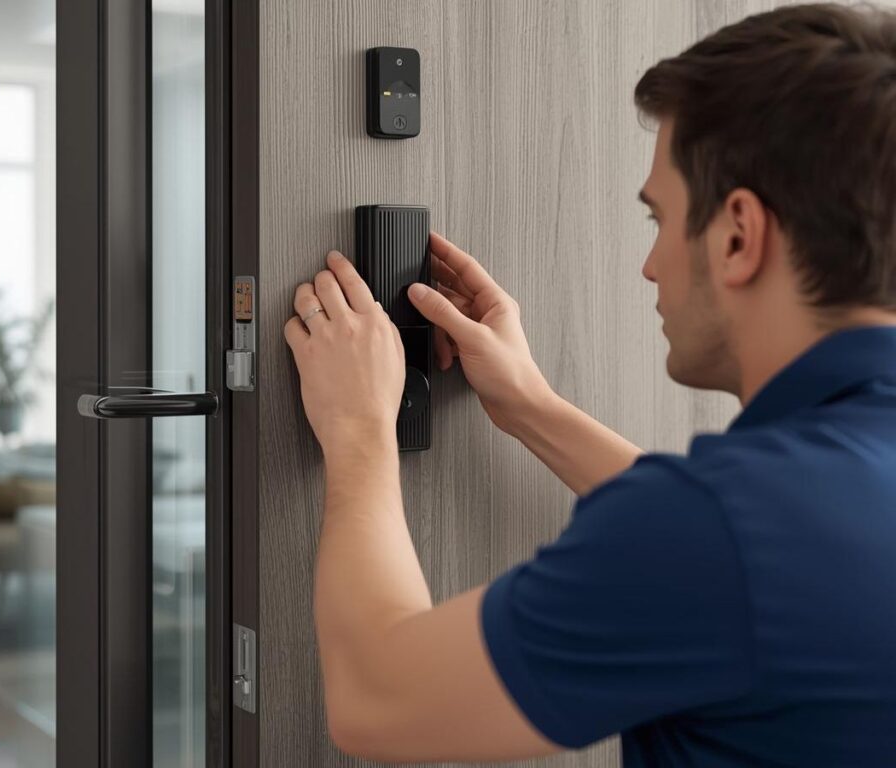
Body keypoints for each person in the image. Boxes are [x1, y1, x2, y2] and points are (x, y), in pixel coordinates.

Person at [282, 4, 896, 765]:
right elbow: (769, 555)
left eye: (659, 219)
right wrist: (531, 407)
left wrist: (358, 433)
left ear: (739, 236)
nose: (650, 266)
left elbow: (377, 699)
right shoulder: (813, 496)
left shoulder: (721, 532)